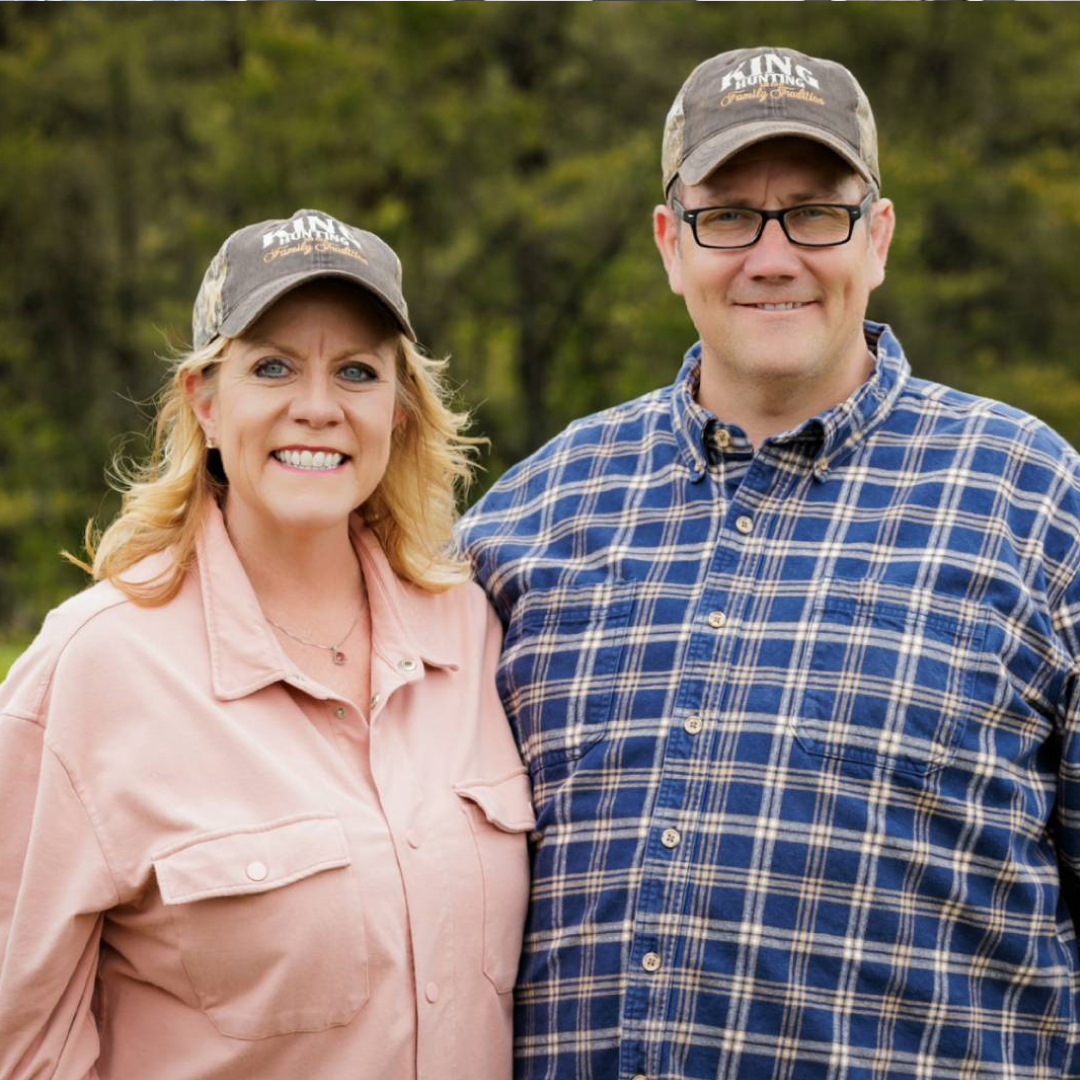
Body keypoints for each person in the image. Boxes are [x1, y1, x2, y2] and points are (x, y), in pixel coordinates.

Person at [458, 46, 1080, 1079]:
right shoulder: (529, 516)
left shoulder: (1036, 501)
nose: (773, 254)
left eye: (815, 213)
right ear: (671, 243)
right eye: (729, 216)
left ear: (876, 238)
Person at [0, 208, 534, 1080]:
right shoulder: (95, 666)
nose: (317, 408)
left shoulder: (471, 634)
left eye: (357, 372)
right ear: (205, 402)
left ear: (398, 412)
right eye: (273, 367)